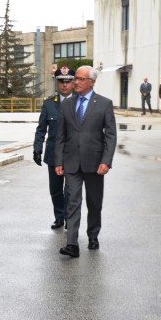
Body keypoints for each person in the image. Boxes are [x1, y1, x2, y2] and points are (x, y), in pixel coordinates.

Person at [54, 66, 117, 258]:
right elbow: (61, 136)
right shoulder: (67, 104)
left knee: (94, 202)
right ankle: (72, 244)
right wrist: (59, 161)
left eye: (81, 79)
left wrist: (106, 161)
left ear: (92, 81)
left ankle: (93, 235)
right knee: (72, 202)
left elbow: (111, 135)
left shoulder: (104, 104)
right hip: (71, 162)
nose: (76, 82)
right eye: (76, 79)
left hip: (95, 163)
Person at [33, 66, 75, 230]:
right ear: (57, 83)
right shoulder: (49, 104)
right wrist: (37, 148)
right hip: (53, 154)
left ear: (73, 83)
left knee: (71, 190)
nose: (65, 85)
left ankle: (69, 217)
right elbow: (41, 129)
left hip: (73, 154)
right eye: (61, 81)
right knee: (56, 189)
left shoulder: (80, 103)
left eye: (68, 81)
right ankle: (59, 217)